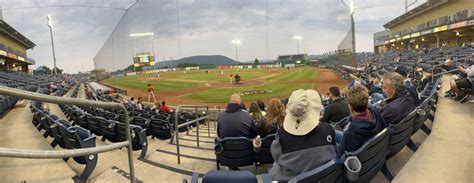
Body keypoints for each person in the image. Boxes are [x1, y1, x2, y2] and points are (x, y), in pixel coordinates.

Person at [269, 89, 337, 182]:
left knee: (275, 167)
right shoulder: (328, 130)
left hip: (291, 179)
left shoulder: (281, 136)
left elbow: (277, 157)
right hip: (326, 179)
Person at [338, 85, 384, 152]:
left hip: (361, 155)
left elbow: (342, 153)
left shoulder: (351, 131)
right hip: (375, 149)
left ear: (350, 107)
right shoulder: (374, 111)